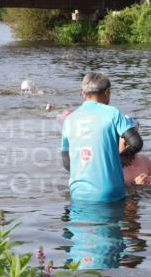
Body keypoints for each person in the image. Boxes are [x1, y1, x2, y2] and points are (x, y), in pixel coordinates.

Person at [61, 72, 143, 202]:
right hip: (109, 194)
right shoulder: (113, 113)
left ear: (83, 94)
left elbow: (66, 162)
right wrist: (121, 158)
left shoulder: (69, 120)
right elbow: (136, 143)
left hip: (78, 193)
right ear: (107, 92)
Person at [119, 118, 151, 186]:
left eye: (134, 135)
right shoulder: (111, 164)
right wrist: (136, 187)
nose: (130, 140)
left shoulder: (145, 161)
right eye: (126, 136)